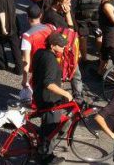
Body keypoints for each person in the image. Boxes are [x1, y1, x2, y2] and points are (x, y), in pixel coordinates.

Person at [32, 32, 71, 164]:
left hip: (38, 95)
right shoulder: (51, 60)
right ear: (53, 45)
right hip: (50, 99)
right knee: (51, 131)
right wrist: (65, 93)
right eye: (61, 46)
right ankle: (47, 158)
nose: (64, 48)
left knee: (47, 127)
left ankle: (43, 149)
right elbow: (48, 83)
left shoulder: (39, 52)